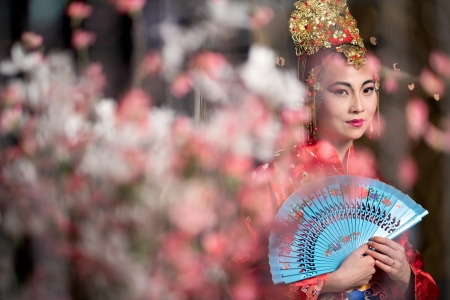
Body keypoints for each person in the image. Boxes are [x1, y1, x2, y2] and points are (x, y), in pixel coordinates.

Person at [239, 1, 440, 299]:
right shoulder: (273, 178)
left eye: (368, 89)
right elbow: (241, 282)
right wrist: (330, 283)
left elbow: (417, 281)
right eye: (341, 91)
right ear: (313, 97)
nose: (358, 106)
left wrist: (405, 276)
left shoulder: (375, 184)